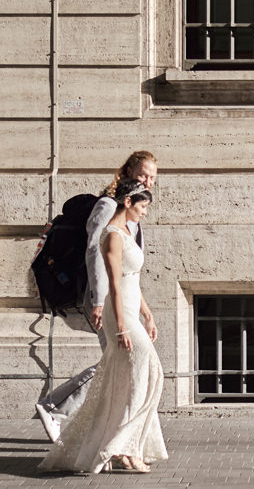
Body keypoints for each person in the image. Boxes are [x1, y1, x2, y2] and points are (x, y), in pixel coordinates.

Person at [39, 178, 168, 473]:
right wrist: (122, 326)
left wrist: (147, 314)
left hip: (132, 311)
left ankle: (123, 447)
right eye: (143, 206)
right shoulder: (112, 235)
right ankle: (124, 447)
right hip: (119, 313)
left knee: (130, 380)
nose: (145, 213)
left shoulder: (126, 231)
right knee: (145, 371)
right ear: (128, 203)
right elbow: (114, 285)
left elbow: (132, 279)